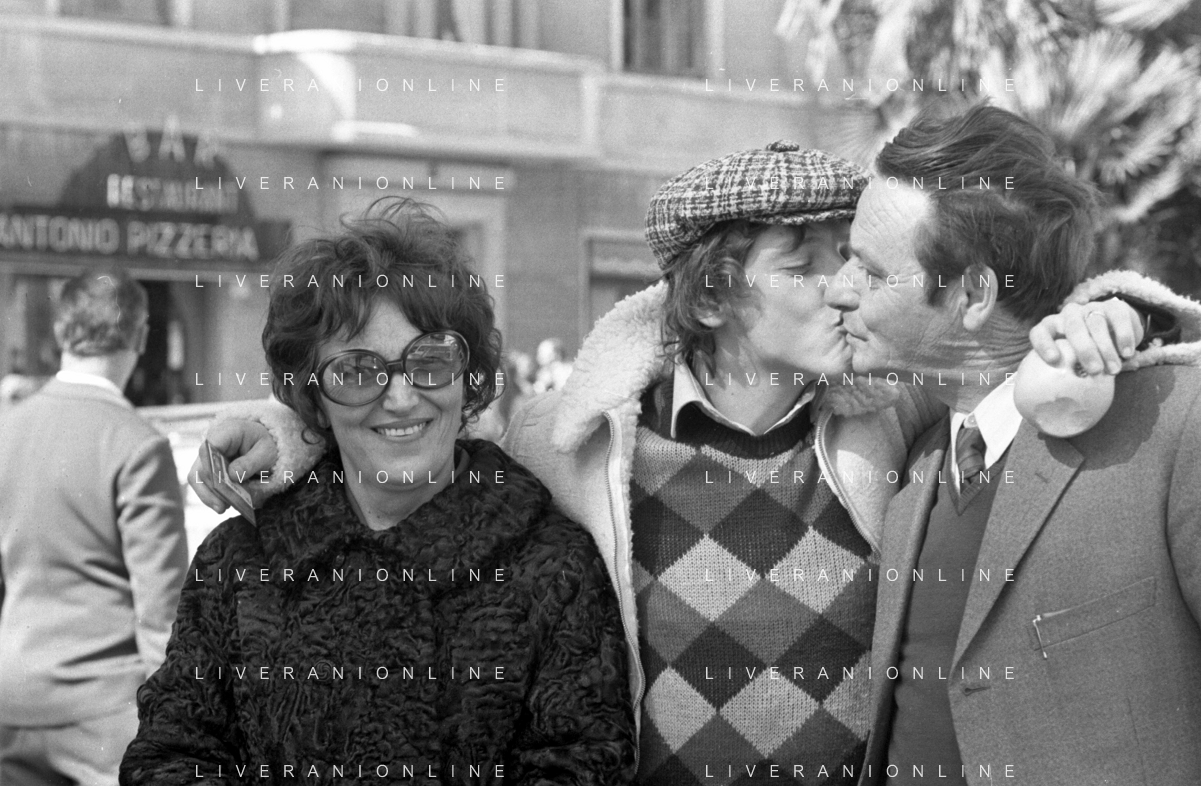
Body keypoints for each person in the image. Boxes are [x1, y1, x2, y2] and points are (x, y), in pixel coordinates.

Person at [189, 143, 1190, 784]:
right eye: (803, 266)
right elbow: (416, 426)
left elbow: (1001, 340)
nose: (844, 289)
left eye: (850, 260)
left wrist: (1111, 312)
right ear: (711, 298)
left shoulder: (895, 411)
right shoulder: (574, 438)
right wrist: (290, 429)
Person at [119, 199, 636, 784]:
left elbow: (583, 763)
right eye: (358, 372)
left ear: (467, 377)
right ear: (313, 399)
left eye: (431, 359)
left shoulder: (552, 566)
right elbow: (170, 752)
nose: (401, 397)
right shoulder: (240, 561)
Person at [824, 104, 1201, 785]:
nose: (836, 289)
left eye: (871, 274)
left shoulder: (1175, 425)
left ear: (973, 294)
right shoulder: (913, 458)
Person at [0, 269, 188, 786]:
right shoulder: (139, 445)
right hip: (107, 714)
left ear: (61, 333)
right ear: (141, 337)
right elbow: (161, 608)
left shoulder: (6, 429)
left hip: (12, 698)